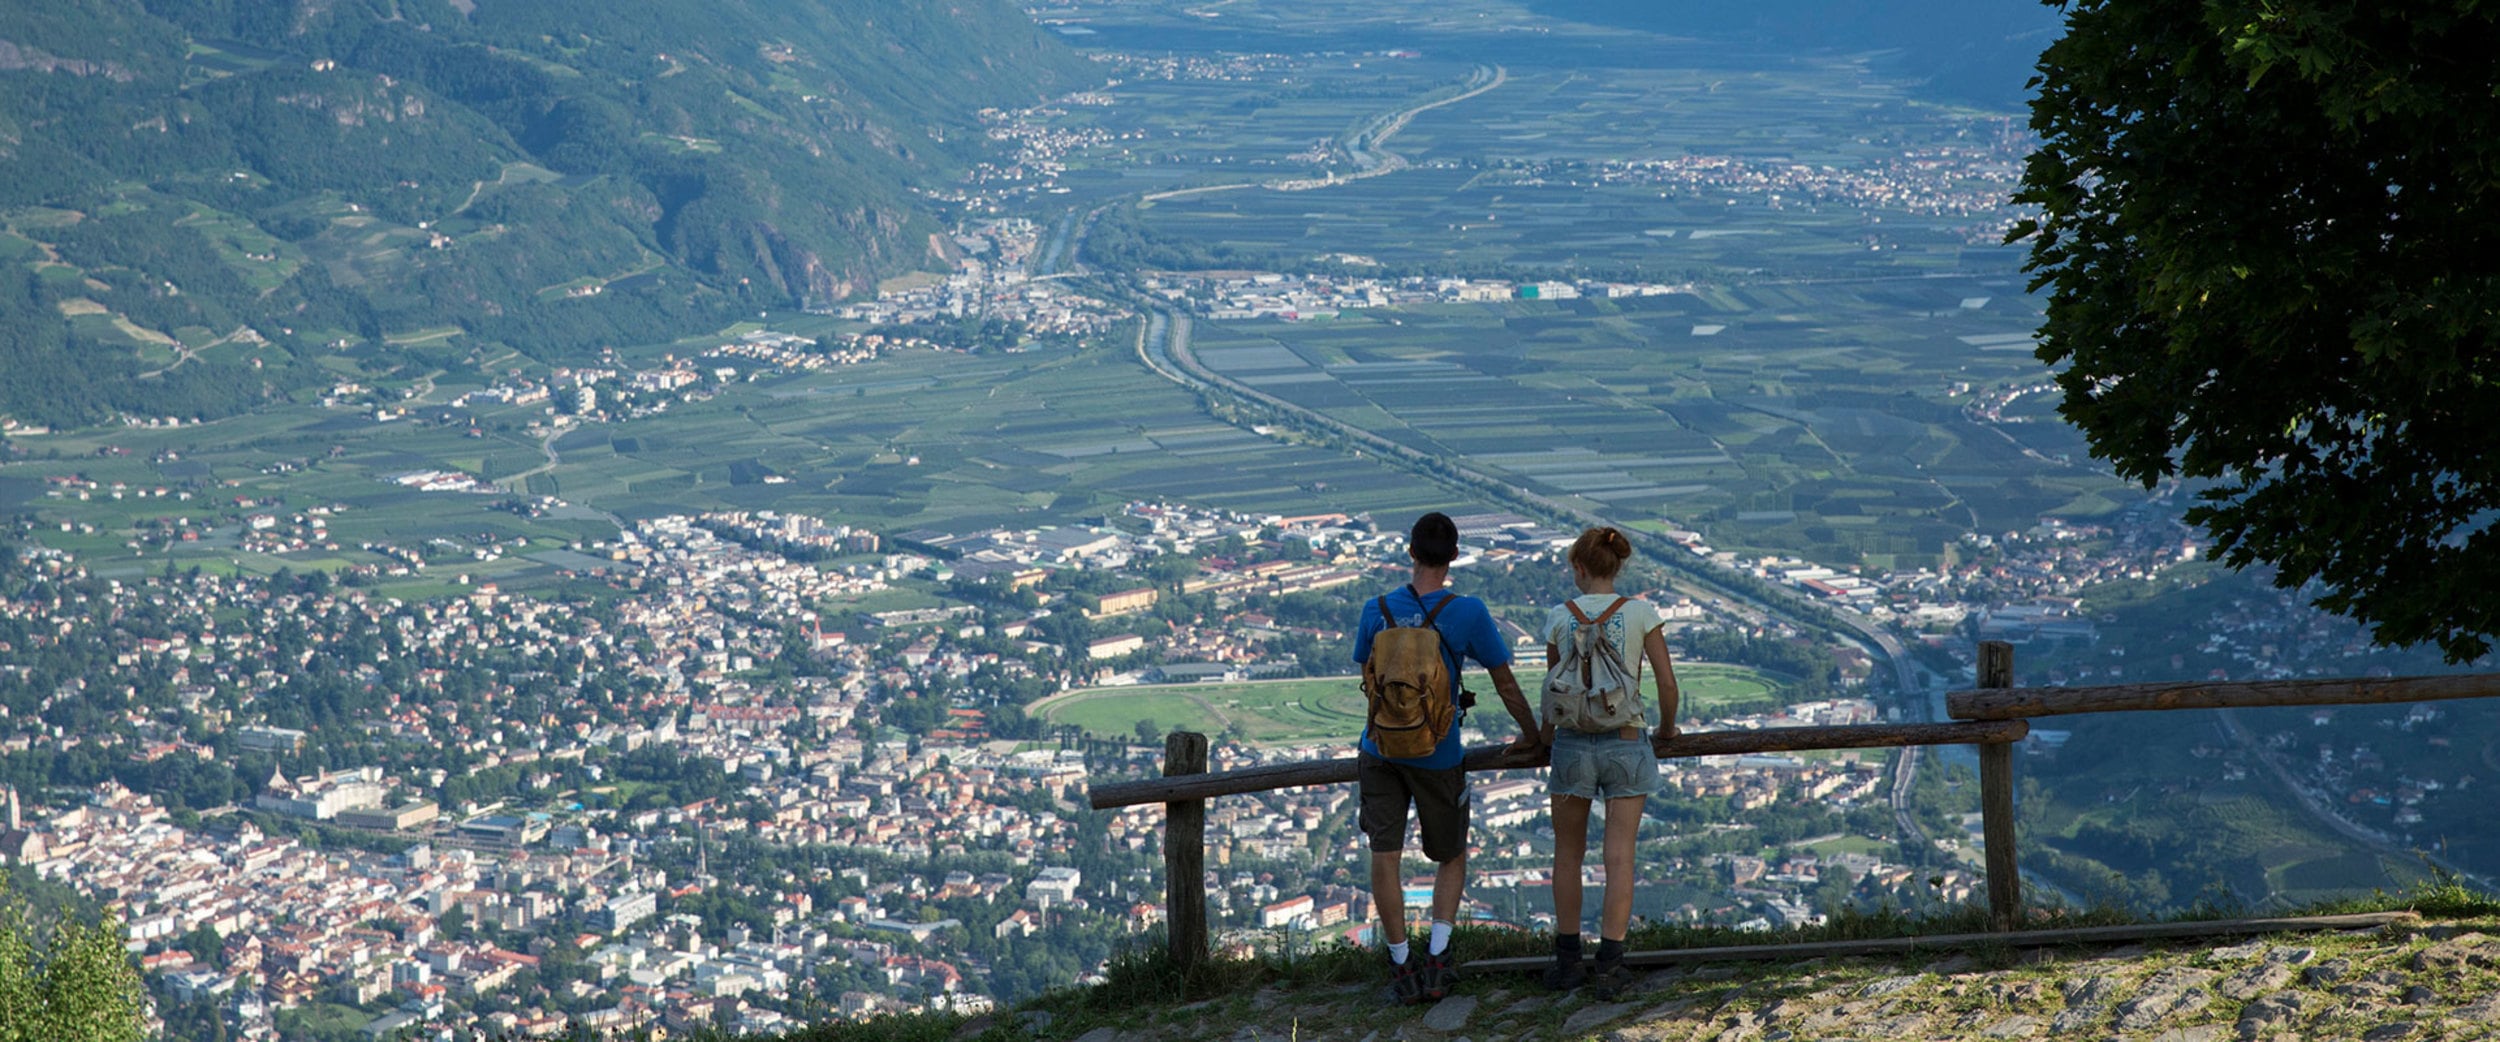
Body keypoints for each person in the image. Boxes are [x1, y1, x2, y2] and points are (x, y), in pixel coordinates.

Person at [1351, 512, 1542, 1005]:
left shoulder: (1377, 609)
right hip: (1439, 754)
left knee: (1385, 856)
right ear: (1454, 556)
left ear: (1410, 552)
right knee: (1451, 854)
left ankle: (1399, 964)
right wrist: (1533, 735)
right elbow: (1504, 681)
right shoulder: (1468, 612)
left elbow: (1366, 674)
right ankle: (1437, 959)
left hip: (1380, 750)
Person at [1539, 526, 1680, 997]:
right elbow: (1665, 683)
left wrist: (1543, 741)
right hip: (1626, 741)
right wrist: (1665, 729)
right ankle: (1611, 963)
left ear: (1579, 568)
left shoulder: (1560, 617)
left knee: (1567, 855)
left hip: (1572, 745)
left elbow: (1554, 692)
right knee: (1619, 858)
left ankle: (1565, 961)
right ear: (1617, 567)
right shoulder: (1641, 613)